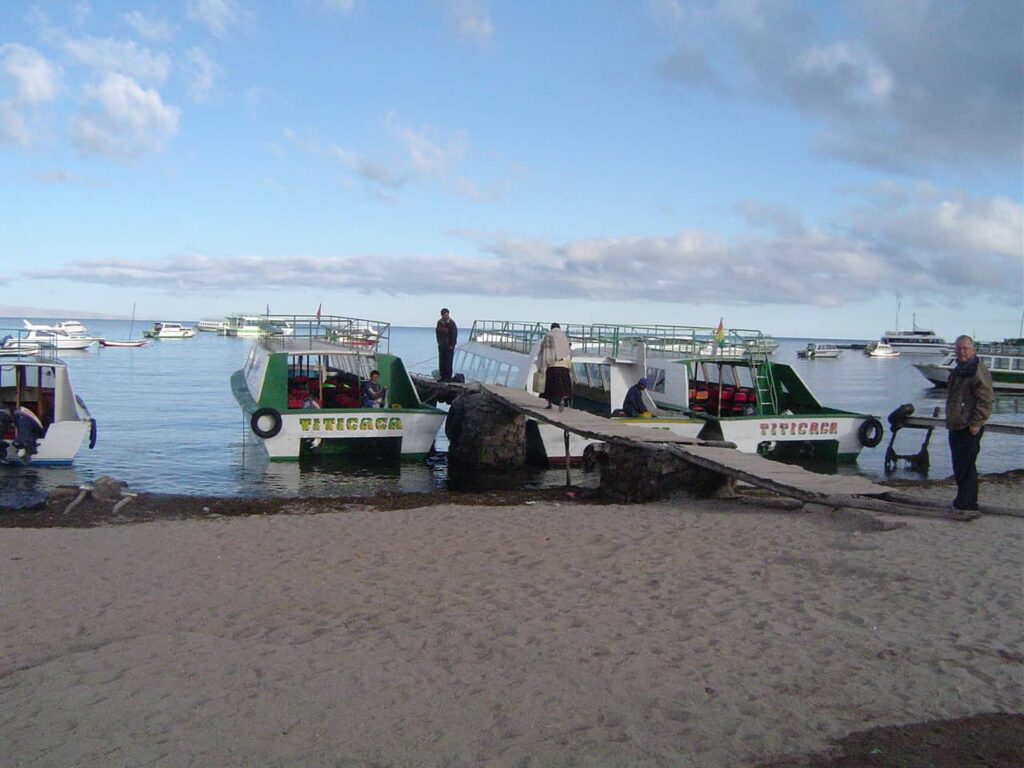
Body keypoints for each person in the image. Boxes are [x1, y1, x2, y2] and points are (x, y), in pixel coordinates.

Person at [945, 335, 994, 518]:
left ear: (973, 350)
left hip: (969, 425)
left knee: (966, 465)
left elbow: (986, 399)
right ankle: (964, 500)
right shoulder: (959, 370)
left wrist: (977, 422)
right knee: (960, 465)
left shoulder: (977, 370)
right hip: (956, 424)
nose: (962, 352)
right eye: (958, 348)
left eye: (965, 348)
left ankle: (967, 503)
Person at [536, 322, 573, 411]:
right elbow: (568, 352)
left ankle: (549, 403)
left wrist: (542, 366)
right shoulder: (564, 337)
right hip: (564, 365)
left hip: (552, 365)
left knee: (549, 386)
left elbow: (544, 351)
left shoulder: (548, 336)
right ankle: (562, 400)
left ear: (551, 328)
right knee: (562, 386)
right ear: (559, 328)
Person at [435, 308, 458, 382]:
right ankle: (442, 377)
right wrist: (439, 342)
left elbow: (454, 334)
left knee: (448, 362)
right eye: (444, 315)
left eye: (447, 315)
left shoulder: (451, 323)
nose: (446, 316)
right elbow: (437, 333)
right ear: (442, 315)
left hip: (449, 346)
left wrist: (452, 344)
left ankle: (448, 378)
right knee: (442, 362)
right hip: (442, 345)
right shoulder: (439, 323)